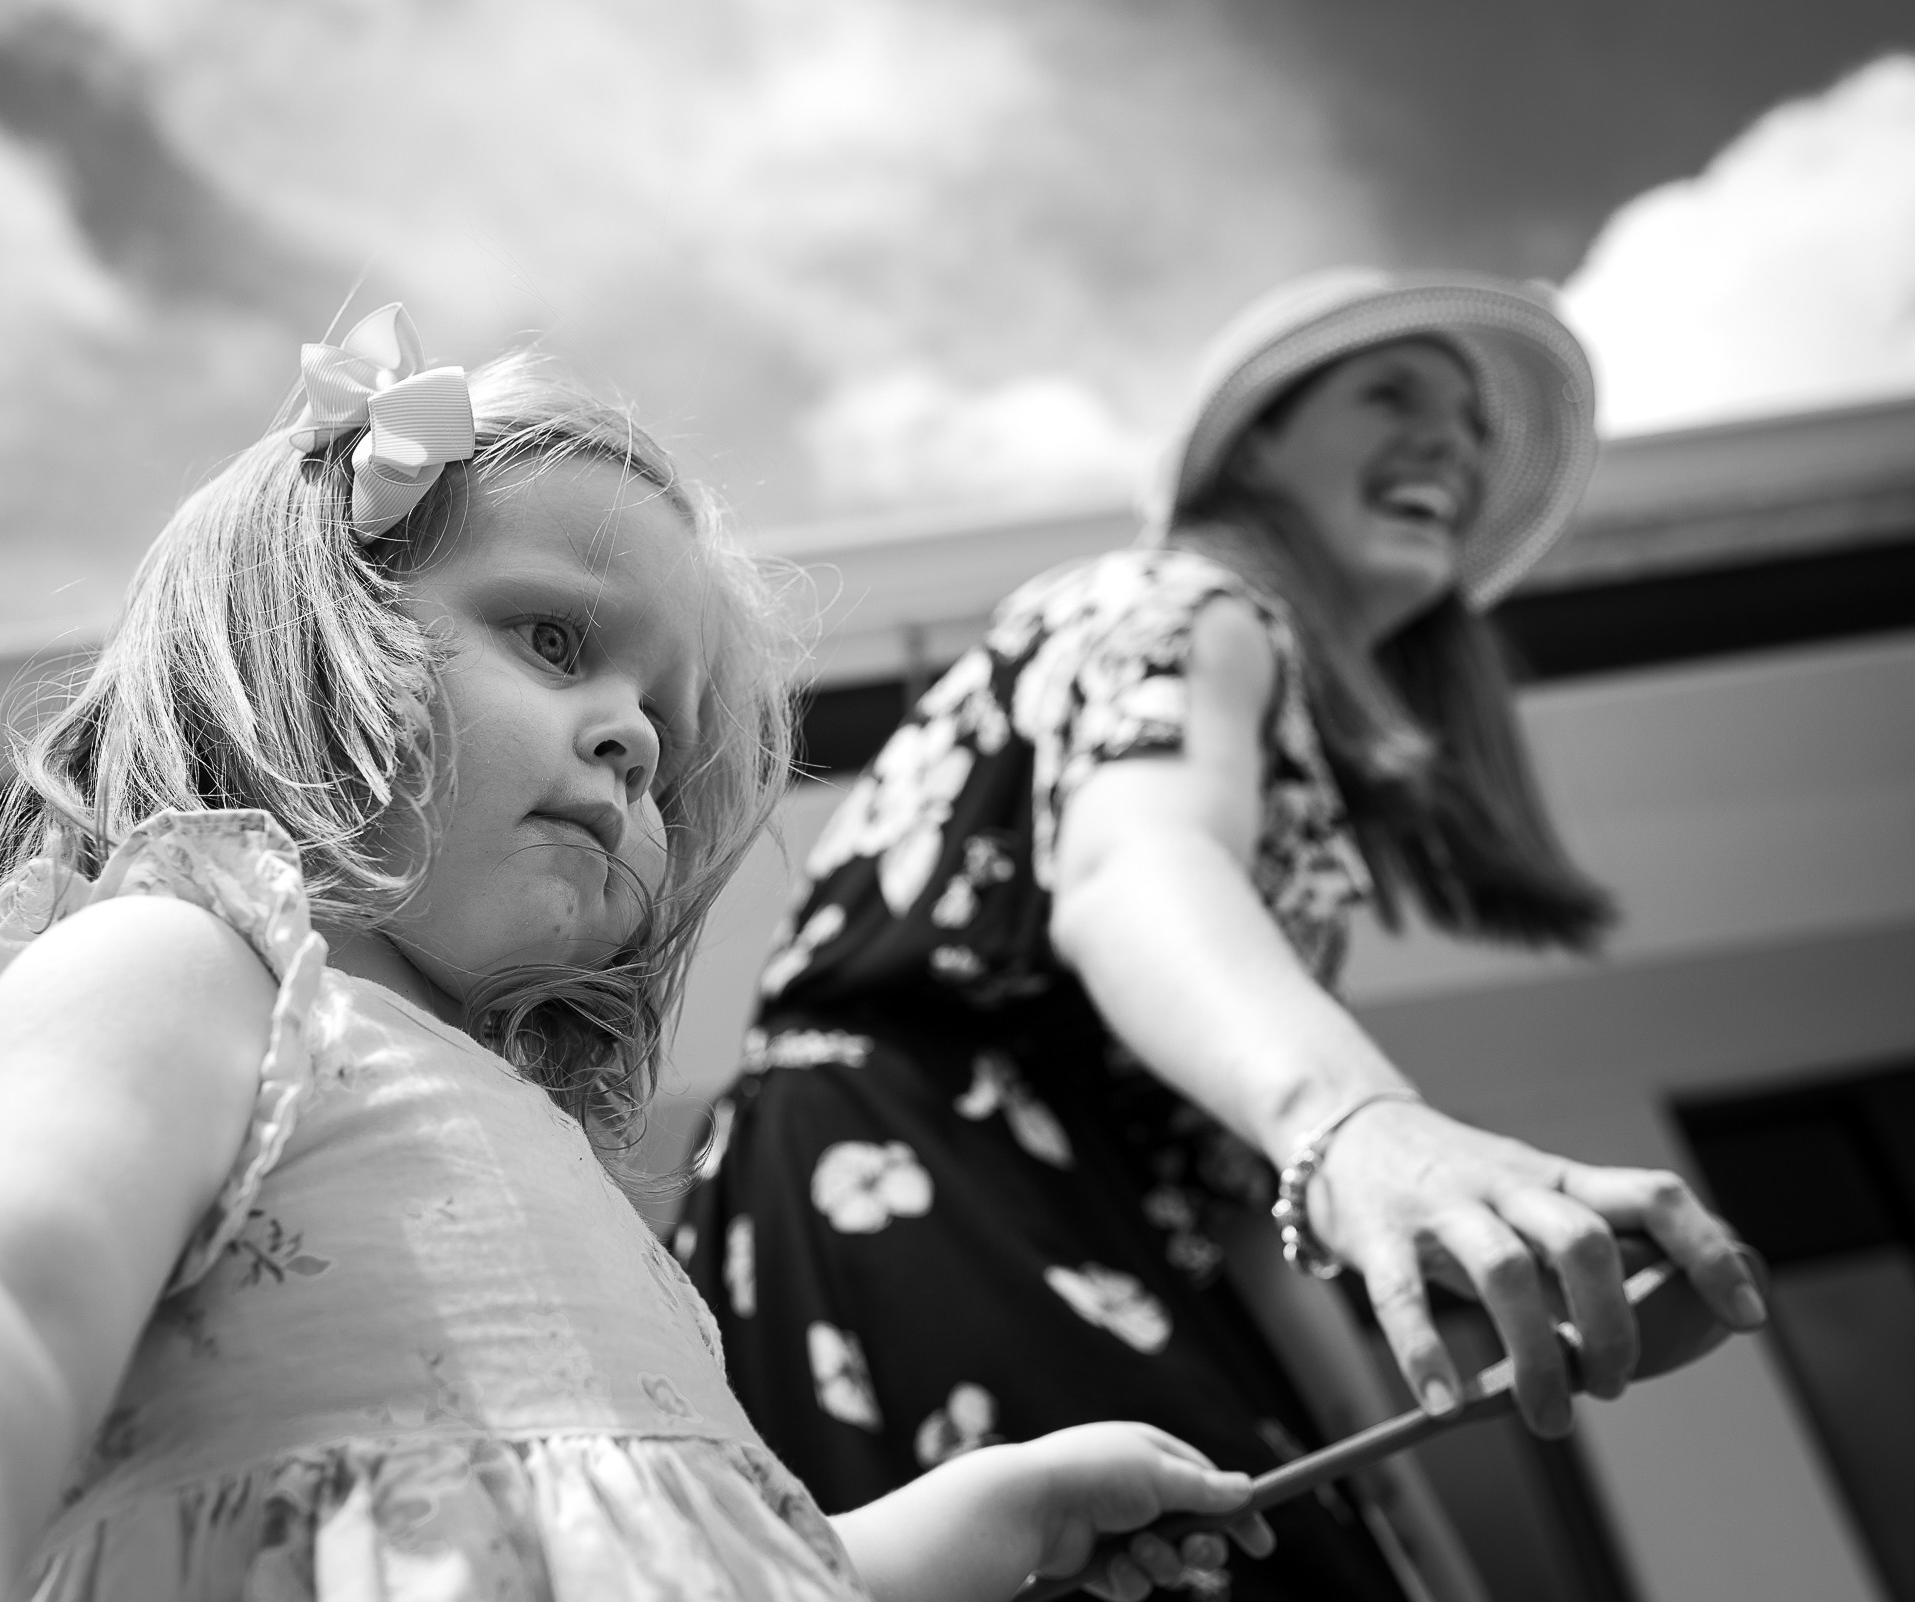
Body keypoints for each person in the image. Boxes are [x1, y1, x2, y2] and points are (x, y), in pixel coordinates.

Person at [0, 307, 1265, 1602]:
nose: (635, 734)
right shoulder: (190, 974)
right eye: (557, 638)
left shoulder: (577, 1186)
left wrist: (962, 1527)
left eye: (670, 718)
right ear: (314, 621)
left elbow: (660, 1545)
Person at [676, 270, 1771, 1601]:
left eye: (1475, 430)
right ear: (1257, 442)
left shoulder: (1235, 670)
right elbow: (1134, 858)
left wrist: (1390, 1524)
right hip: (947, 1198)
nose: (1450, 446)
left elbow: (1233, 1206)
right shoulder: (1188, 607)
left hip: (1052, 1225)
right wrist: (1355, 1119)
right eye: (1394, 395)